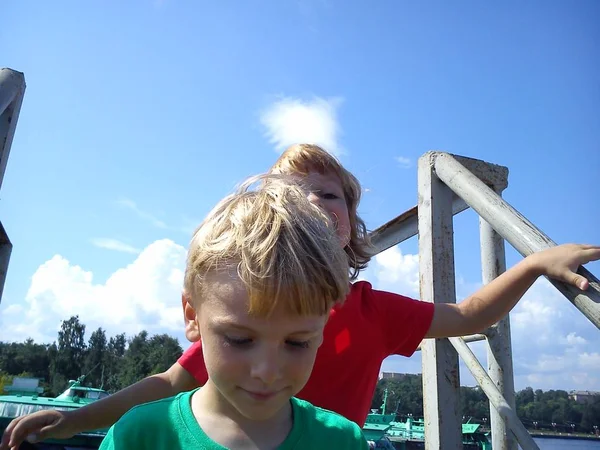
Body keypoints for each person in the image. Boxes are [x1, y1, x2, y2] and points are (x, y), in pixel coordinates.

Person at [2, 144, 599, 450]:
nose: (312, 203)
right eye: (294, 194)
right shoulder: (241, 311)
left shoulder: (373, 311)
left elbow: (472, 314)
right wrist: (74, 419)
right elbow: (164, 385)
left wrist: (538, 262)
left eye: (329, 195)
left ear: (352, 221)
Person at [99, 175, 369, 449]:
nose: (267, 371)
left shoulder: (343, 442)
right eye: (239, 339)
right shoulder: (138, 437)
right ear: (193, 316)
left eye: (297, 342)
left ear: (322, 327)